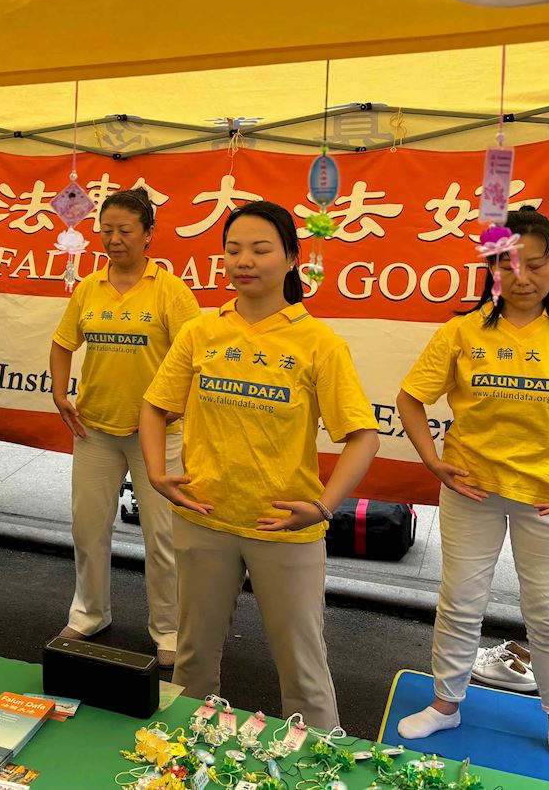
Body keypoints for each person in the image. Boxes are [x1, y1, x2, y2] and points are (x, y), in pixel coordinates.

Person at [394, 206, 549, 784]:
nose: (522, 278)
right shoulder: (463, 332)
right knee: (460, 601)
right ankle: (445, 705)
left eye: (536, 264)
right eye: (507, 265)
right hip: (473, 492)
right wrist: (433, 459)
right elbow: (411, 398)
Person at [140, 200, 379, 730]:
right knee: (192, 660)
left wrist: (323, 507)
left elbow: (364, 436)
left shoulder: (318, 343)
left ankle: (319, 762)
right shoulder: (202, 332)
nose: (243, 261)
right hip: (205, 517)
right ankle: (179, 755)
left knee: (303, 667)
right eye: (233, 250)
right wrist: (156, 474)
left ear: (292, 258)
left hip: (284, 528)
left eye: (260, 249)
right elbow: (155, 406)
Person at [48, 187, 200, 668]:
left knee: (164, 539)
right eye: (106, 230)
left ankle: (170, 629)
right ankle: (89, 613)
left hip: (159, 437)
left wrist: (177, 407)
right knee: (88, 528)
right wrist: (59, 392)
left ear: (148, 234)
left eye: (125, 230)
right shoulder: (89, 287)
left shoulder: (170, 290)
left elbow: (196, 357)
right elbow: (62, 343)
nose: (113, 239)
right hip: (95, 430)